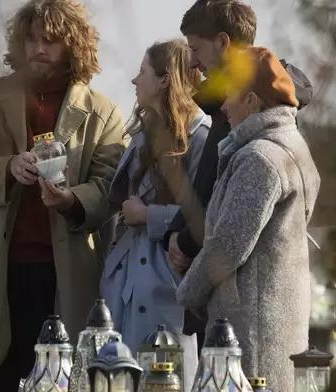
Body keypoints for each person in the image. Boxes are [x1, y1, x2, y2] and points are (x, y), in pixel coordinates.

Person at [0, 0, 125, 390]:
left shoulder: (103, 112)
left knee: (61, 378)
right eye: (31, 39)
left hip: (66, 273)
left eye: (51, 41)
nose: (38, 49)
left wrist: (70, 200)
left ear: (73, 46)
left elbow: (109, 188)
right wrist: (7, 168)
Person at [162, 0, 314, 352]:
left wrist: (185, 247)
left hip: (246, 308)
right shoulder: (233, 107)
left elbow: (234, 221)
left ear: (223, 43)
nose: (194, 62)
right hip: (217, 291)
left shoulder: (261, 130)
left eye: (196, 49)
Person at [176, 47, 320, 392]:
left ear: (252, 101)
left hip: (252, 330)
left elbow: (228, 244)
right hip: (272, 318)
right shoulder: (290, 146)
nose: (224, 107)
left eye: (230, 97)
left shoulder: (259, 158)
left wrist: (189, 293)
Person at [100, 40, 210, 390]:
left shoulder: (202, 139)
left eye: (142, 72)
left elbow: (210, 213)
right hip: (125, 294)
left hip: (170, 292)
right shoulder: (140, 139)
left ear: (165, 80)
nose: (134, 81)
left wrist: (151, 216)